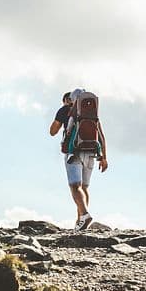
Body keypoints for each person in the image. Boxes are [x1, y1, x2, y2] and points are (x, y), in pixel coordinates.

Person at [49, 88, 108, 232]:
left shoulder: (66, 110)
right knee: (84, 187)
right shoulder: (91, 114)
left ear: (70, 100)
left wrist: (62, 116)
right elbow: (101, 136)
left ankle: (84, 215)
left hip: (73, 152)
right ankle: (80, 222)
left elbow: (52, 131)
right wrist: (104, 158)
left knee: (75, 186)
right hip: (91, 152)